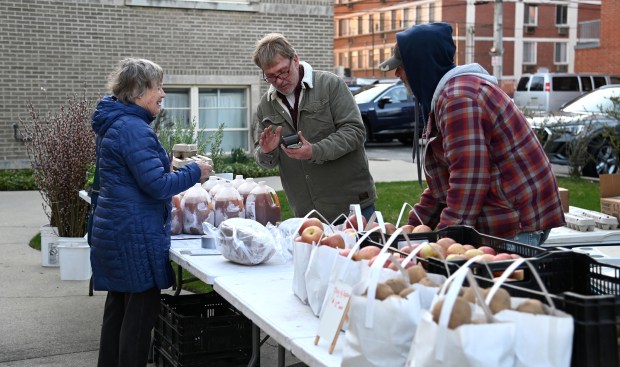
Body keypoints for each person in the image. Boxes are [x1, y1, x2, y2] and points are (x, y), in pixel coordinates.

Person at [379, 23, 565, 245]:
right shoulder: (450, 94)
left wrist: (445, 240)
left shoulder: (458, 99)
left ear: (420, 64)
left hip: (514, 222)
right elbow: (445, 182)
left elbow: (468, 178)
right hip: (508, 217)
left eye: (401, 66)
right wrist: (412, 229)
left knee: (496, 281)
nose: (397, 73)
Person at [90, 58, 212, 367]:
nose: (162, 93)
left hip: (117, 230)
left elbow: (131, 175)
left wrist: (164, 163)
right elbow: (157, 186)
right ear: (138, 91)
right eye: (157, 87)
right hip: (135, 236)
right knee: (138, 319)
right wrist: (196, 171)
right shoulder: (133, 128)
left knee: (118, 310)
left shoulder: (117, 122)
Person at [251, 33, 377, 223]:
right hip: (307, 214)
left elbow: (355, 132)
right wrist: (267, 151)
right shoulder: (265, 106)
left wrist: (314, 151)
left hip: (352, 207)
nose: (278, 81)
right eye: (270, 76)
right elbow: (262, 159)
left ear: (295, 60)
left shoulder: (330, 85)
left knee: (363, 253)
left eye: (283, 71)